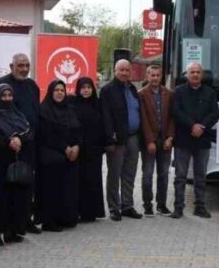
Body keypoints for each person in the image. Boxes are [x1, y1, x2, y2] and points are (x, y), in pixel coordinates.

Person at [0, 54, 43, 233]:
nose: (24, 69)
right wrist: (10, 140)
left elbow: (35, 115)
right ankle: (5, 227)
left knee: (25, 186)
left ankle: (23, 222)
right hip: (6, 148)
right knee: (6, 189)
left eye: (27, 65)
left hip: (28, 143)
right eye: (20, 66)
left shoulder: (32, 85)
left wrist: (27, 137)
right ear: (11, 66)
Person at [0, 83, 33, 245]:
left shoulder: (18, 114)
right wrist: (7, 141)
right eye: (4, 96)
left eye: (10, 96)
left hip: (15, 161)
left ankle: (13, 230)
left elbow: (28, 131)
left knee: (15, 197)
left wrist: (20, 139)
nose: (7, 99)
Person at [171, 62, 219, 219]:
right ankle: (178, 208)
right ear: (186, 74)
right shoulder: (178, 92)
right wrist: (192, 126)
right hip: (183, 139)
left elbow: (214, 113)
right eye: (192, 72)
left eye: (198, 72)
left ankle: (200, 207)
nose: (195, 75)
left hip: (202, 140)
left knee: (200, 176)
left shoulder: (210, 92)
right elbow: (176, 112)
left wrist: (202, 126)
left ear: (202, 75)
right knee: (180, 176)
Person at [100, 59, 142, 220]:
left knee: (129, 174)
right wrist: (110, 138)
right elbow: (106, 115)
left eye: (127, 70)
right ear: (115, 70)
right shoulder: (108, 90)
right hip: (117, 139)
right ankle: (113, 207)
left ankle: (127, 205)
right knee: (114, 174)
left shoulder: (132, 88)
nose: (124, 73)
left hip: (133, 137)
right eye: (121, 70)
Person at [37, 80, 81, 231]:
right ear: (50, 92)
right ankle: (50, 221)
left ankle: (66, 217)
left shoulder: (70, 109)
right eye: (56, 90)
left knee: (68, 187)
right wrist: (65, 148)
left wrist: (76, 146)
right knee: (52, 189)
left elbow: (77, 129)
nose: (60, 93)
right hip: (51, 155)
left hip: (70, 155)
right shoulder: (44, 110)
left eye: (62, 90)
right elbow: (47, 134)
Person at [138, 64, 175, 216]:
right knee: (147, 175)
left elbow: (173, 117)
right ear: (147, 76)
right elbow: (143, 119)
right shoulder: (141, 94)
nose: (155, 78)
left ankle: (162, 204)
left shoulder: (169, 94)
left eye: (157, 75)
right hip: (149, 142)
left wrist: (170, 138)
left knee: (163, 174)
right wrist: (149, 141)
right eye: (152, 75)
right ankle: (147, 204)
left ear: (161, 76)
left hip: (165, 140)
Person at [72, 77, 106, 222]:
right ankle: (78, 210)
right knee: (78, 180)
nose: (86, 90)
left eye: (88, 87)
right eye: (83, 88)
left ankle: (92, 211)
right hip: (79, 149)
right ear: (78, 89)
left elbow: (104, 124)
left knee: (93, 179)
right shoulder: (72, 104)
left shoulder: (98, 104)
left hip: (94, 149)